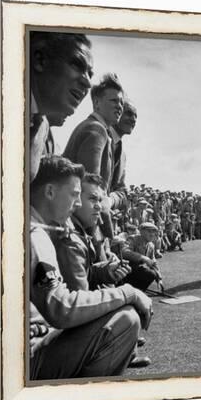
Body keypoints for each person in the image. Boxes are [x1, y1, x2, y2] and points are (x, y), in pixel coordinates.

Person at [29, 155, 153, 379]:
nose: (77, 204)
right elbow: (62, 308)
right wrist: (128, 293)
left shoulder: (37, 226)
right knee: (126, 321)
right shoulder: (34, 235)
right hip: (28, 358)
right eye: (75, 195)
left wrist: (103, 271)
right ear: (49, 192)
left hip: (32, 341)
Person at [29, 32, 93, 182]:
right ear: (40, 60)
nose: (88, 83)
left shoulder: (40, 124)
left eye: (90, 74)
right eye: (77, 65)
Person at [63, 73, 126, 209]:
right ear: (97, 103)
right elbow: (92, 195)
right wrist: (107, 231)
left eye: (121, 102)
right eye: (114, 101)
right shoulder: (96, 131)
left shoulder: (96, 128)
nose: (120, 106)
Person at [121, 222, 164, 292]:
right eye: (149, 231)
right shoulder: (133, 239)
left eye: (154, 232)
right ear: (142, 232)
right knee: (147, 272)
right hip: (127, 270)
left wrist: (159, 279)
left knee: (152, 273)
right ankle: (129, 289)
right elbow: (124, 252)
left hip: (138, 271)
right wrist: (143, 257)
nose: (152, 234)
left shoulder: (151, 245)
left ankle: (139, 290)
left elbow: (154, 263)